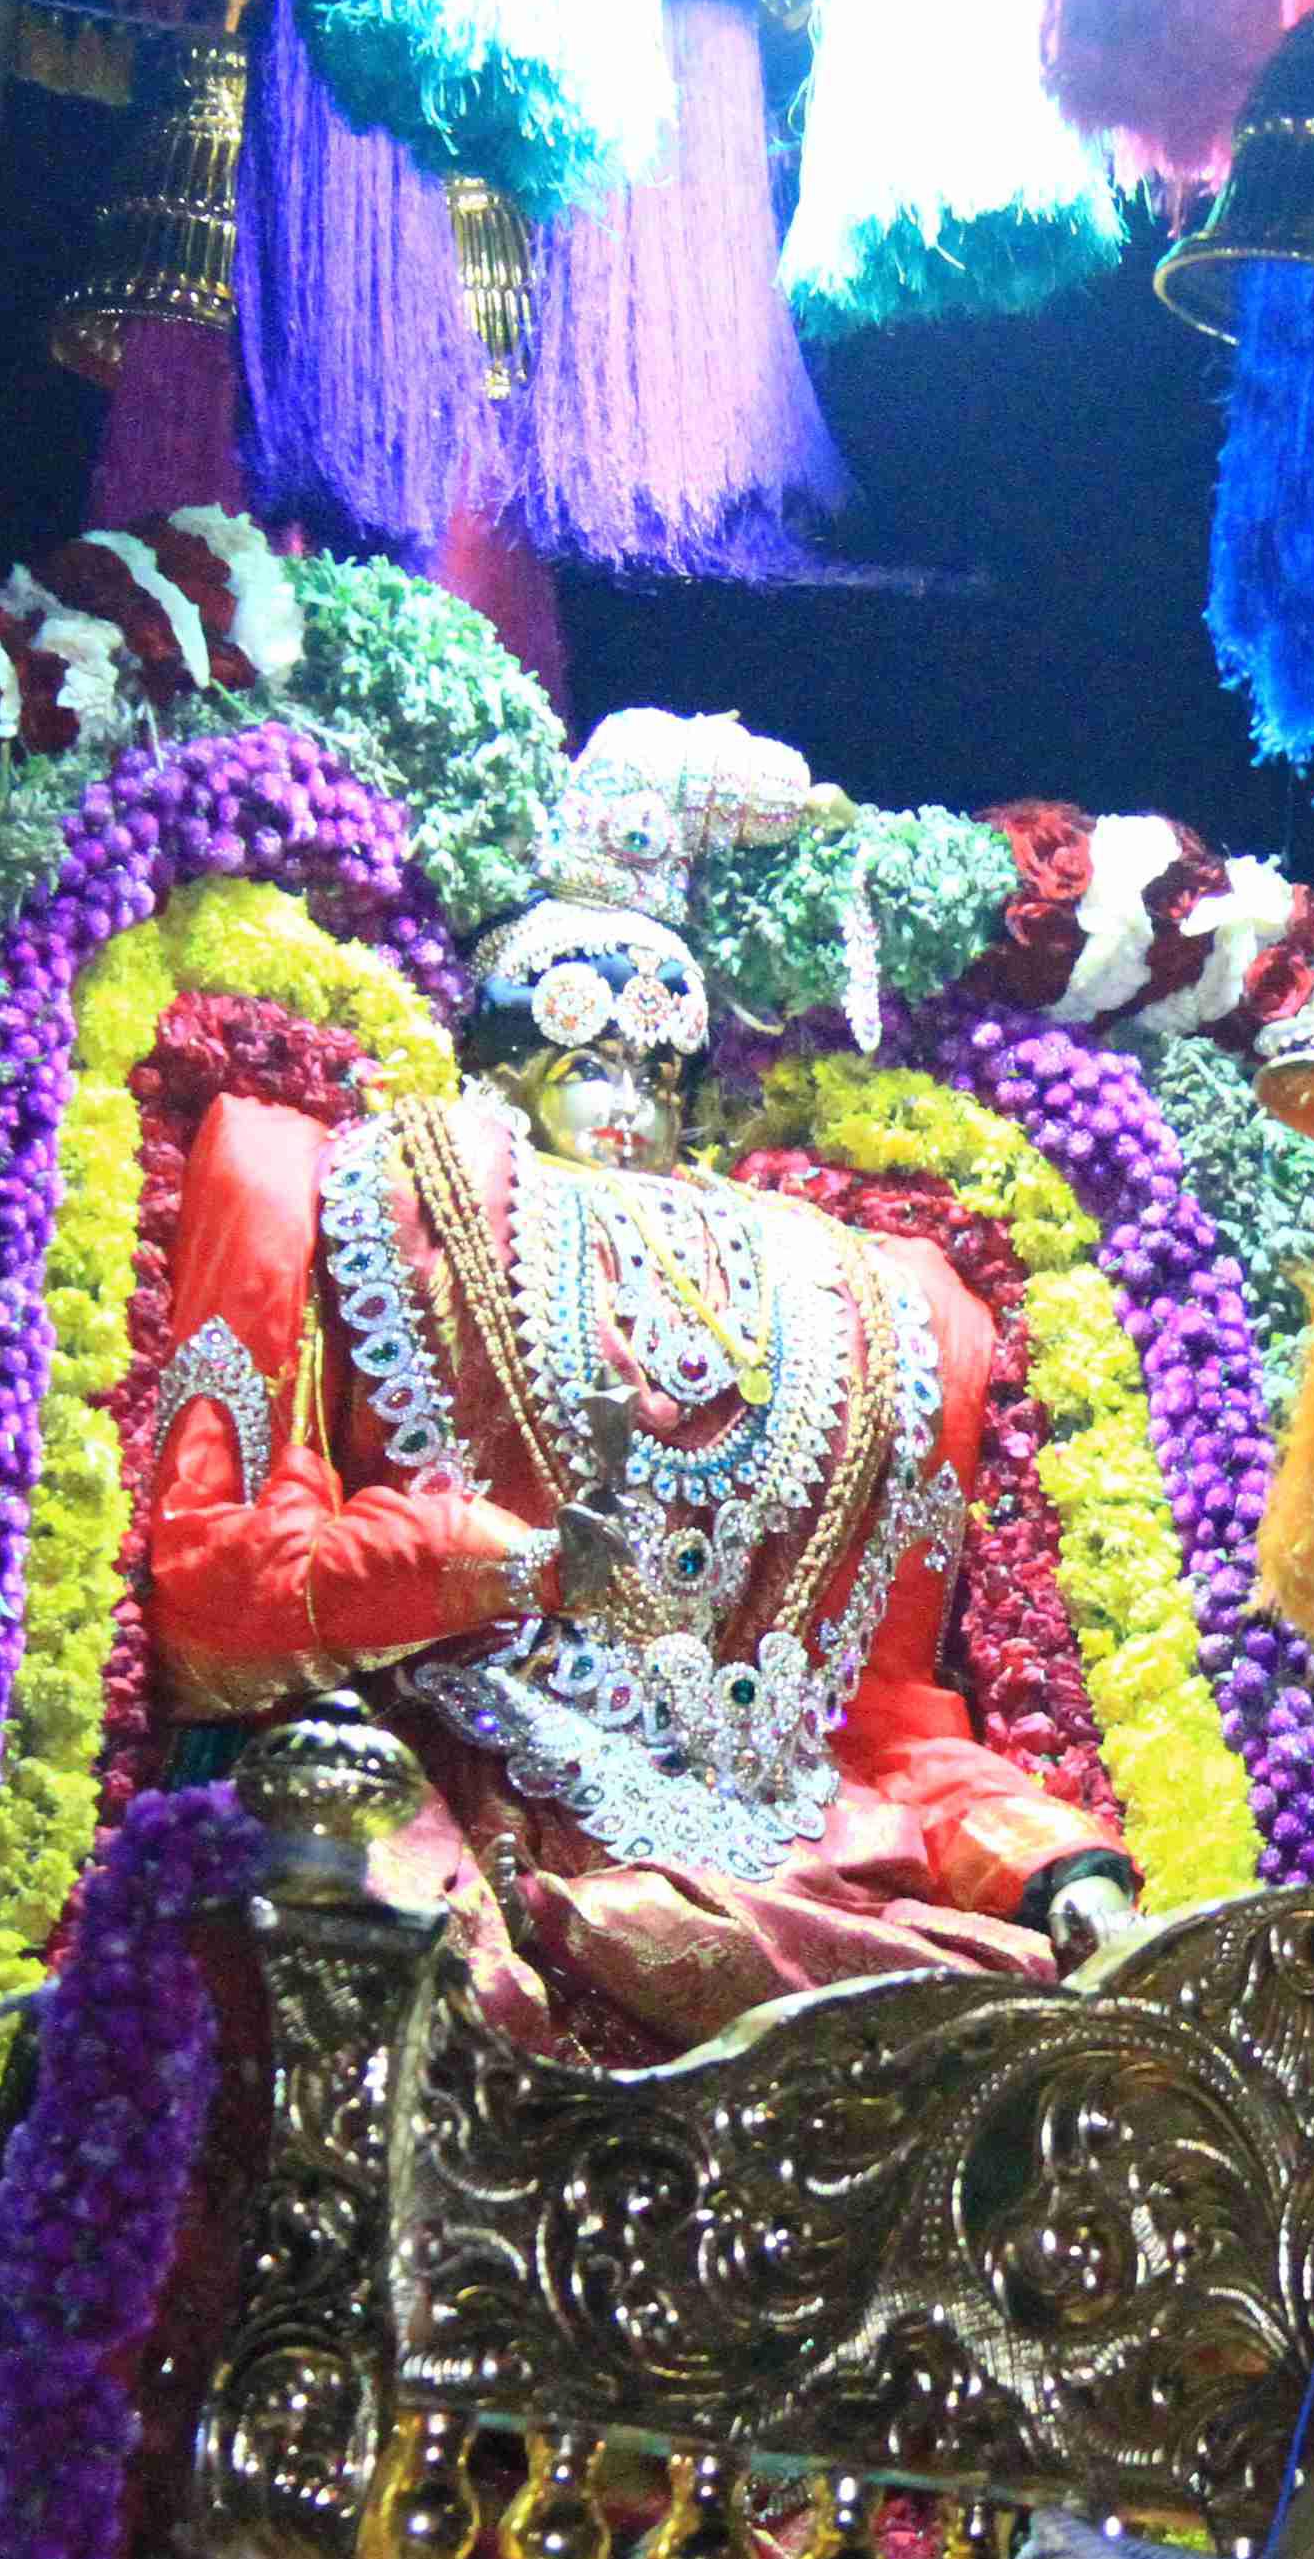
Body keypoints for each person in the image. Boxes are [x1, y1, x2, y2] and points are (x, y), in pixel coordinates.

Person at [143, 878, 1140, 2054]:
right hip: (466, 1819)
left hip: (811, 1860)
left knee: (1025, 2039)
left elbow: (884, 1724)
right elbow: (219, 1606)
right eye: (586, 1063)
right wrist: (507, 1567)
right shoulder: (365, 1188)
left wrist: (1059, 1866)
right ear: (501, 1071)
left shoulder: (877, 1304)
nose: (629, 1103)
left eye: (660, 1073)